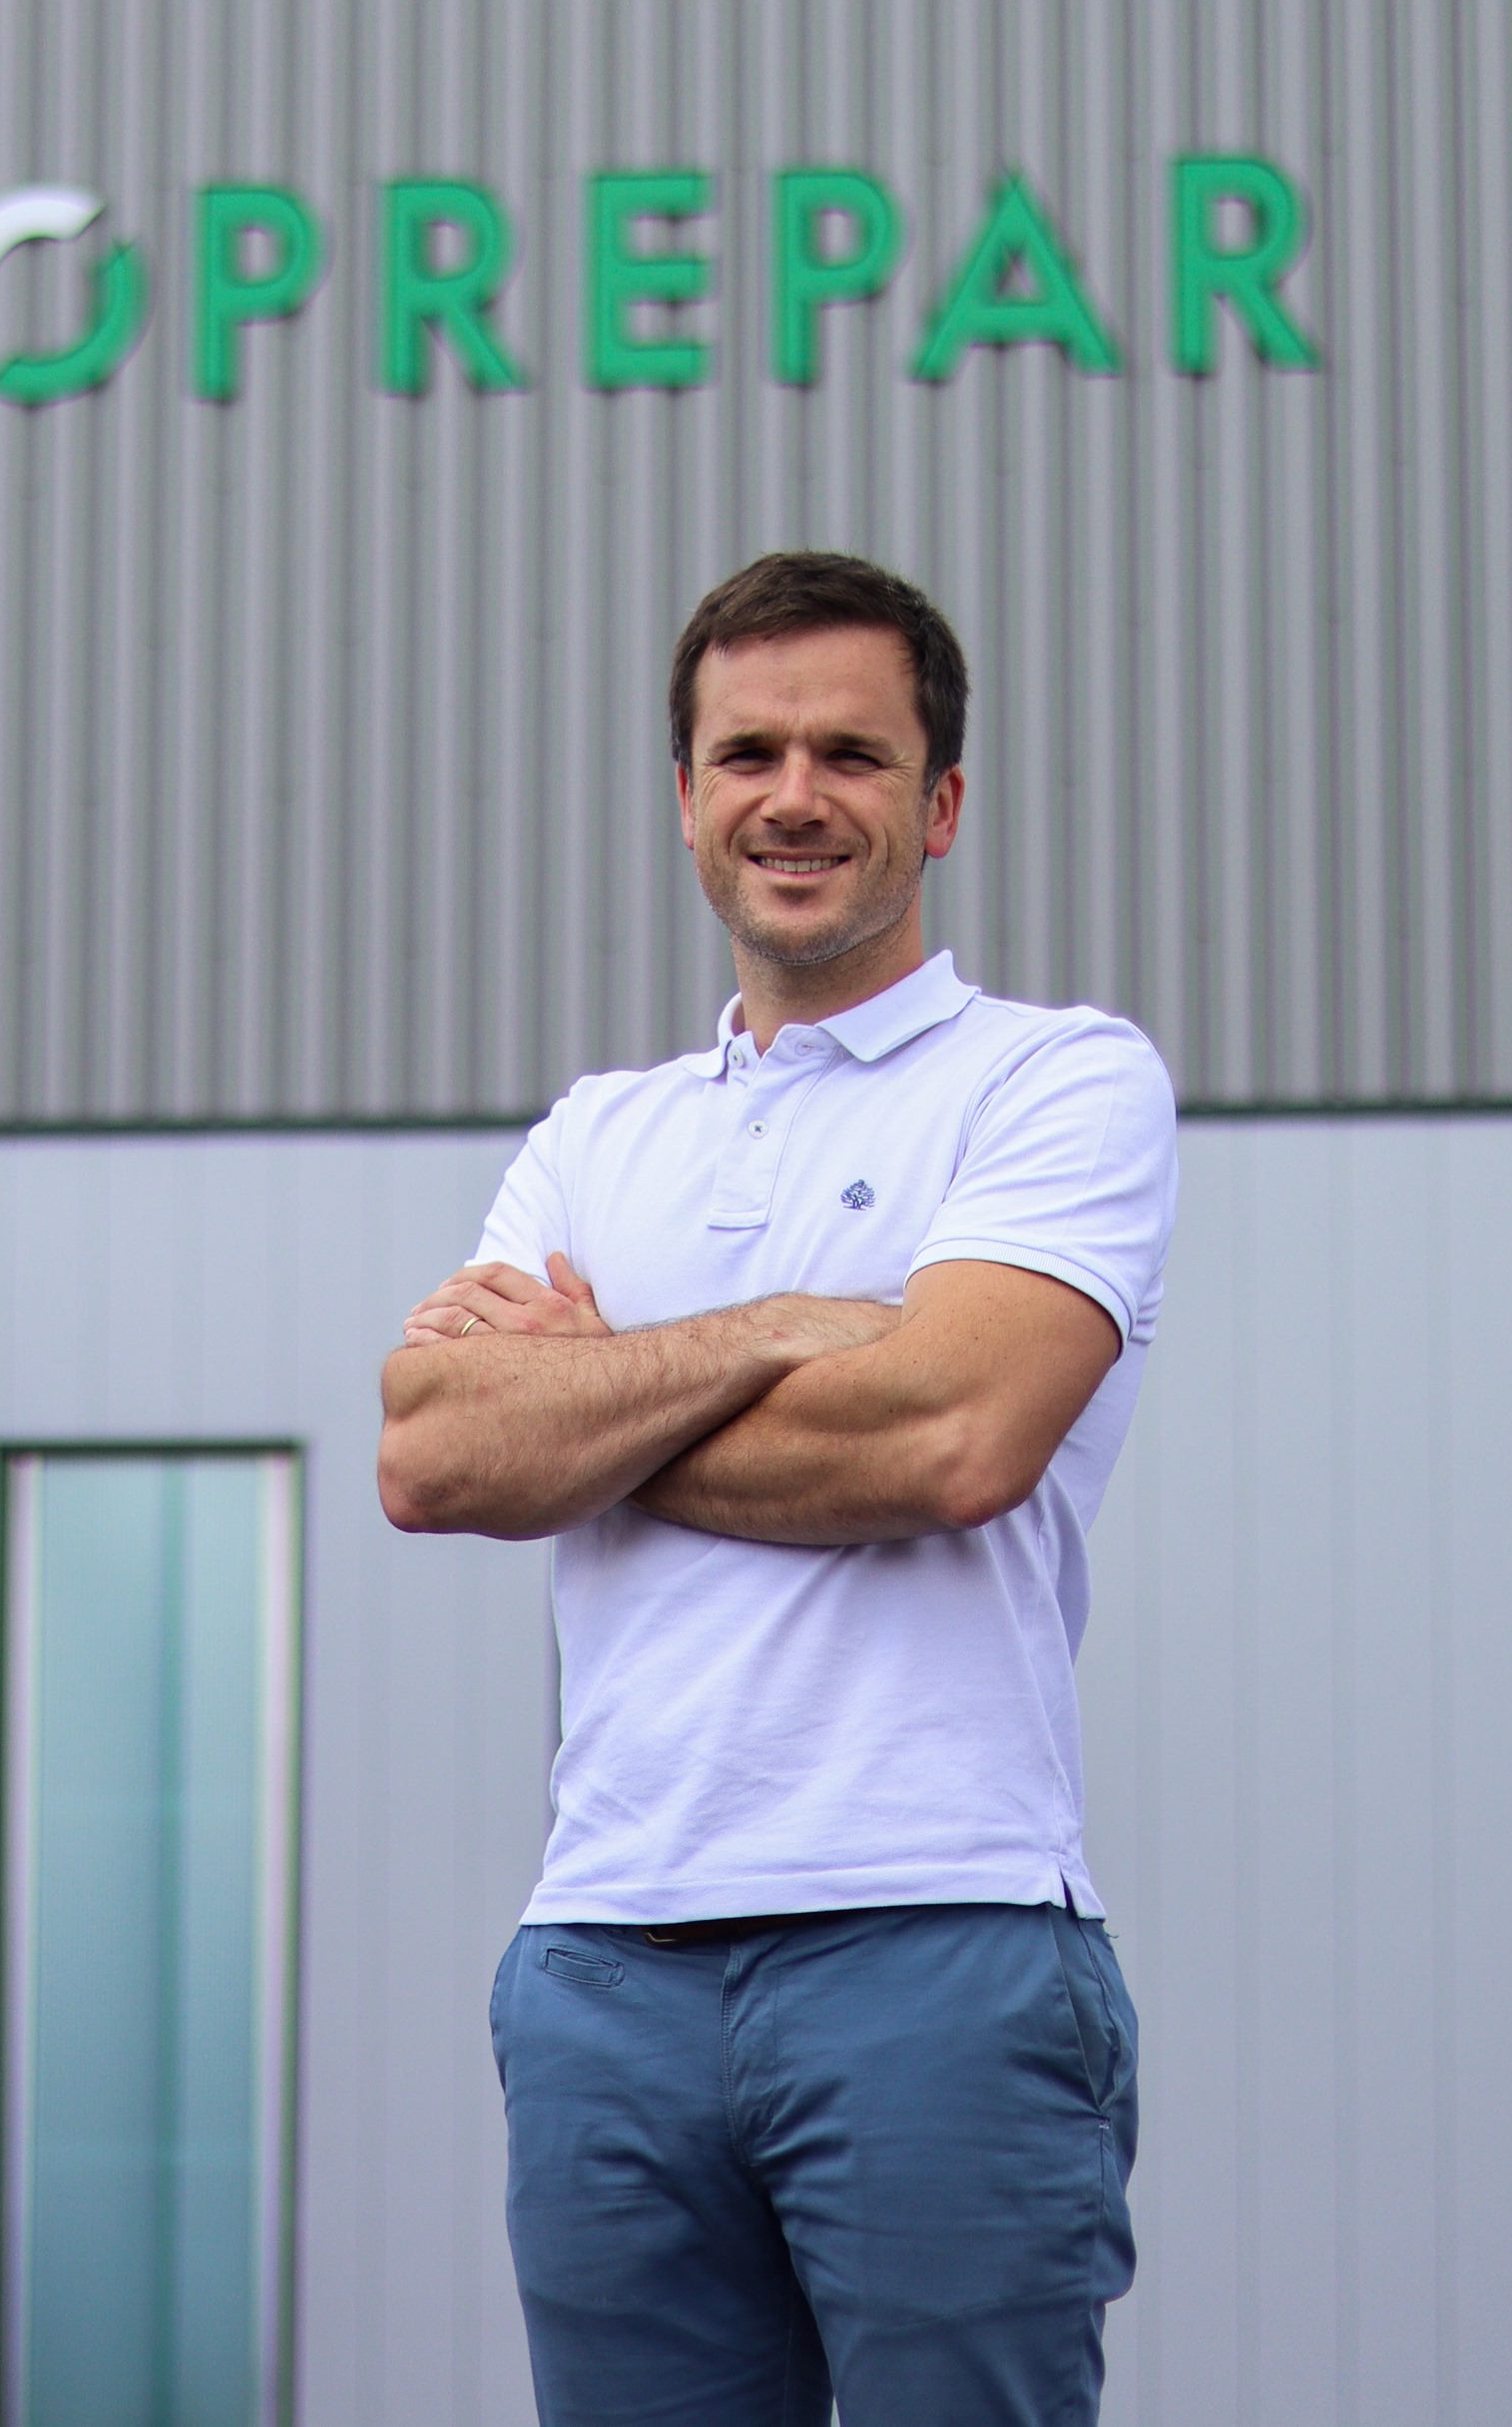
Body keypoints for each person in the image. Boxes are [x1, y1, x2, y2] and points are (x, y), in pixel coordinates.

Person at [375, 550, 1177, 2427]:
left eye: (851, 754)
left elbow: (949, 1442)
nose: (793, 797)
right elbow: (433, 1454)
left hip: (939, 1943)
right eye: (747, 754)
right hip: (604, 1966)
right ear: (686, 797)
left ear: (940, 803)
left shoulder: (1056, 1083)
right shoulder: (601, 1130)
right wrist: (788, 1333)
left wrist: (596, 1403)